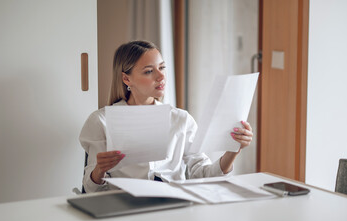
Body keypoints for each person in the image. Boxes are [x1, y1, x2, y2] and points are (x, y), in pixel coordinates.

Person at [79, 40, 253, 192]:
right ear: (126, 79)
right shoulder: (101, 121)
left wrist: (232, 152)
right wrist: (99, 170)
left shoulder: (181, 120)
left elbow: (204, 175)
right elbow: (91, 189)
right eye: (149, 71)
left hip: (173, 207)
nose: (161, 76)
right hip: (125, 209)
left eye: (162, 67)